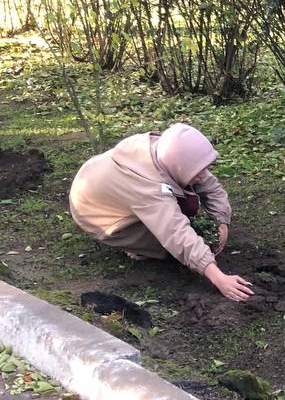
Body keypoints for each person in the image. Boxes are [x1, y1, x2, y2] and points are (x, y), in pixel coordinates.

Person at [69, 123, 254, 302]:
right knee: (173, 247)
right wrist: (218, 277)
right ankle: (138, 248)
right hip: (97, 216)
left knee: (187, 206)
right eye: (199, 170)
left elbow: (212, 188)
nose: (203, 174)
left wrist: (222, 223)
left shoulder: (170, 154)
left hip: (106, 186)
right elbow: (175, 232)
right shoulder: (146, 187)